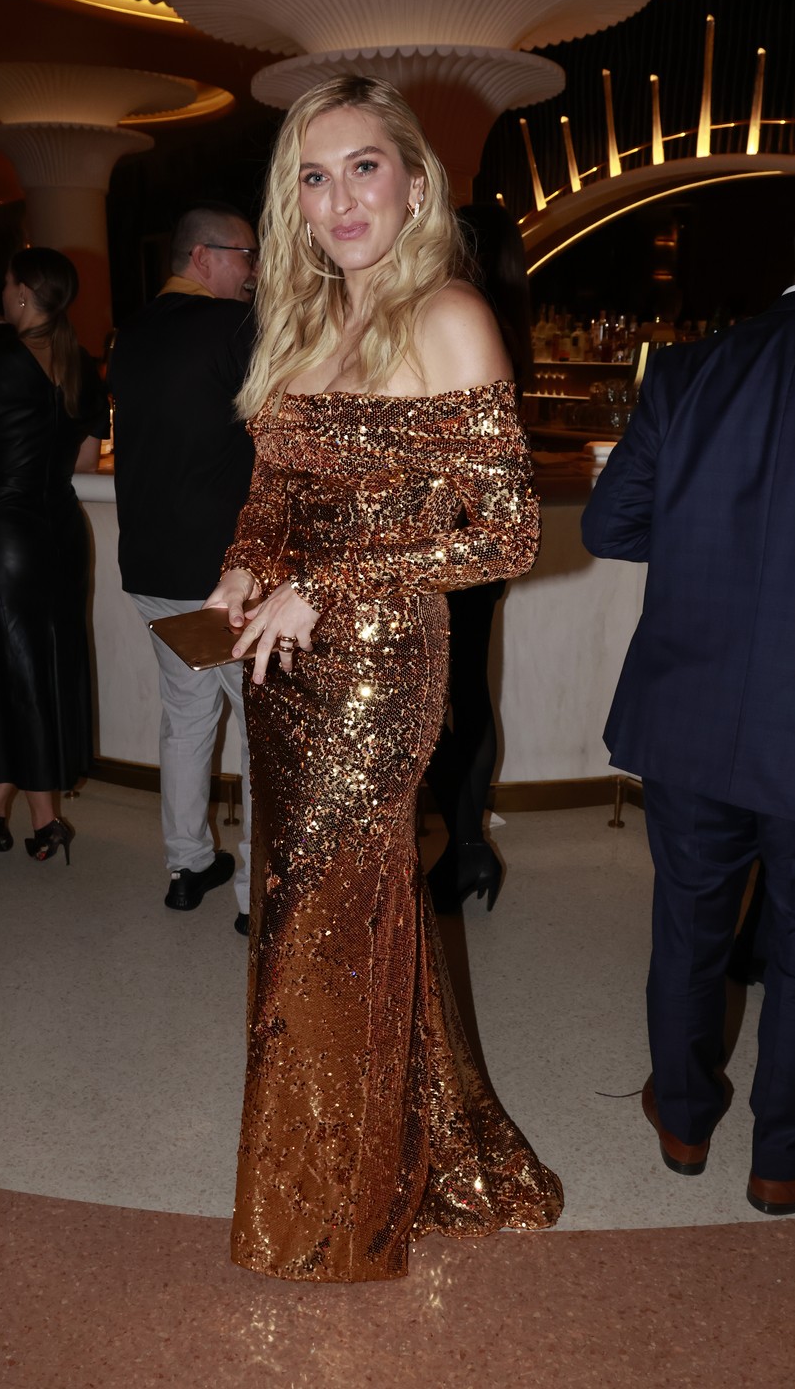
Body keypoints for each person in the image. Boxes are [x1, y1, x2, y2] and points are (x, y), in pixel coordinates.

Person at [203, 76, 563, 1282]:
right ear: (292, 202)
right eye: (314, 176)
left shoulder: (448, 314)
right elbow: (274, 494)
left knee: (329, 924)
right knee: (308, 914)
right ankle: (394, 1149)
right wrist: (244, 568)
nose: (341, 197)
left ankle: (334, 1208)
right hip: (283, 664)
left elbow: (505, 533)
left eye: (364, 166)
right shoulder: (303, 319)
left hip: (377, 672)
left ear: (414, 182)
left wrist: (332, 582)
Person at [581, 226, 795, 1217]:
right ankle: (781, 1160)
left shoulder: (687, 369)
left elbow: (609, 526)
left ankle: (682, 1120)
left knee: (688, 921)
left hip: (690, 709)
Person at [109, 203, 258, 933]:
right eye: (245, 256)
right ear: (204, 257)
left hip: (151, 566)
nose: (253, 272)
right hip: (223, 576)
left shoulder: (129, 334)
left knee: (187, 718)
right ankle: (256, 897)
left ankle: (187, 866)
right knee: (263, 736)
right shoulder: (235, 328)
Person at [0, 247, 108, 864]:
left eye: (6, 283)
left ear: (21, 294)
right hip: (61, 530)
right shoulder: (81, 365)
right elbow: (84, 462)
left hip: (4, 533)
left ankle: (44, 818)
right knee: (46, 666)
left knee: (11, 669)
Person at [425, 202, 535, 913]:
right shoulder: (502, 319)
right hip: (475, 543)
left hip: (449, 541)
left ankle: (463, 845)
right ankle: (468, 847)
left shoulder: (458, 317)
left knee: (443, 697)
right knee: (465, 690)